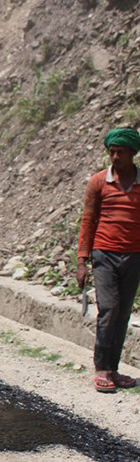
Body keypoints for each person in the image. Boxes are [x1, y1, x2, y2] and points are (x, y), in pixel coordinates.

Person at [77, 127, 140, 393]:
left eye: (120, 153)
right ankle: (101, 367)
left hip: (135, 255)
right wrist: (82, 260)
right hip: (104, 254)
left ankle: (113, 370)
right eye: (112, 152)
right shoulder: (98, 182)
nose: (115, 157)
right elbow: (88, 220)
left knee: (123, 313)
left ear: (132, 154)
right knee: (109, 309)